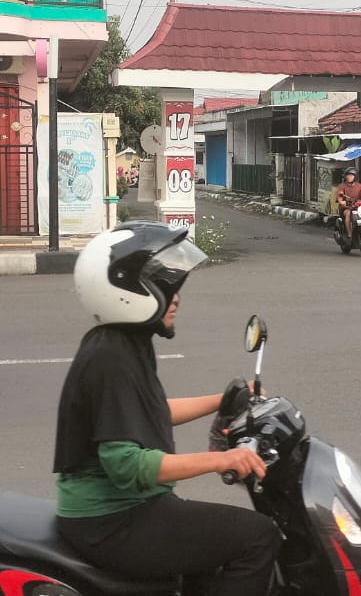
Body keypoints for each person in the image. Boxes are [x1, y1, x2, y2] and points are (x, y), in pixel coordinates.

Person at [55, 222, 280, 596]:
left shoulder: (122, 342)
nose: (175, 297)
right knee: (258, 537)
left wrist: (222, 401)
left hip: (121, 510)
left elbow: (149, 411)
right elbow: (126, 465)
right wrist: (223, 460)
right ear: (125, 291)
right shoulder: (110, 357)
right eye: (161, 286)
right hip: (111, 520)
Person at [333, 167, 361, 240]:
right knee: (348, 214)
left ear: (355, 176)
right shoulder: (342, 186)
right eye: (348, 175)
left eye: (351, 175)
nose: (349, 177)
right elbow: (339, 195)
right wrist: (342, 201)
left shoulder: (360, 186)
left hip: (358, 207)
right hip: (346, 208)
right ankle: (349, 234)